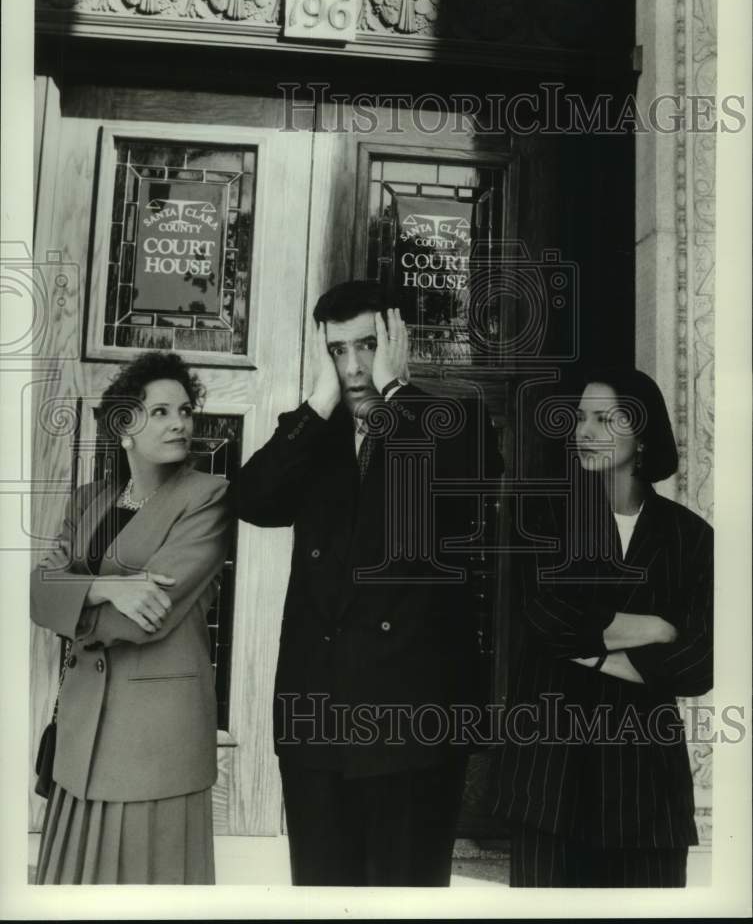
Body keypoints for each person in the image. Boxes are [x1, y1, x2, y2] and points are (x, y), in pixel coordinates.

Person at [230, 280, 502, 886]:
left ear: (396, 343)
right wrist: (319, 403)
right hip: (318, 720)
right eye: (338, 351)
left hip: (414, 724)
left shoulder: (452, 421)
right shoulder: (312, 435)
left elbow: (467, 486)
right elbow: (252, 500)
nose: (354, 367)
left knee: (404, 896)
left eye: (367, 346)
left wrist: (396, 393)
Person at [496, 367, 713, 887]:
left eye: (605, 418)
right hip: (551, 780)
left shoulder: (691, 536)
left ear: (643, 433)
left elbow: (702, 663)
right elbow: (546, 622)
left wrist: (589, 649)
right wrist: (661, 629)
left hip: (647, 790)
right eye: (579, 419)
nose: (585, 431)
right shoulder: (541, 520)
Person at [31, 352, 231, 884]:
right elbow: (36, 593)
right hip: (81, 734)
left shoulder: (208, 498)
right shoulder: (88, 501)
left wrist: (74, 605)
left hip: (156, 740)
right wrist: (105, 587)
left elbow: (145, 619)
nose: (179, 423)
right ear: (125, 426)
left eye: (185, 411)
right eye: (160, 411)